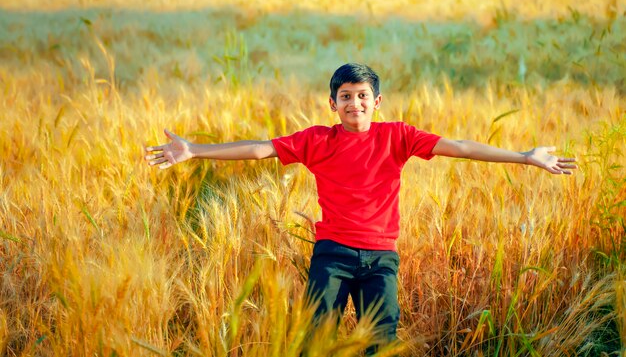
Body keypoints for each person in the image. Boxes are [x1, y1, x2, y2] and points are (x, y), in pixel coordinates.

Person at [144, 63, 577, 355]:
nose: (355, 104)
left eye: (363, 95)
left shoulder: (398, 136)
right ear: (332, 104)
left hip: (381, 260)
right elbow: (260, 150)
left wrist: (525, 156)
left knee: (381, 341)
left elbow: (460, 148)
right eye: (346, 97)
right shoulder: (318, 140)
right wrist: (194, 151)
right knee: (318, 339)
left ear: (378, 100)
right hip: (332, 255)